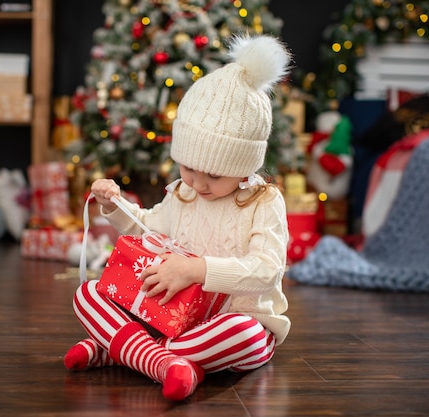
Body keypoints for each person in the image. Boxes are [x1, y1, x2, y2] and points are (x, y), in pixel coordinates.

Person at [64, 34, 291, 401]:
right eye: (188, 167)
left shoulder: (263, 202)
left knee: (246, 335)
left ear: (244, 166)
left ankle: (122, 351)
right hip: (169, 319)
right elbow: (147, 228)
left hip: (228, 324)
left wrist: (197, 270)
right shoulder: (183, 193)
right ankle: (166, 362)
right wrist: (113, 204)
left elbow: (267, 272)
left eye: (214, 175)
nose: (198, 183)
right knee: (87, 294)